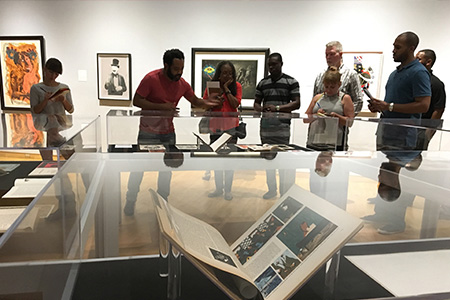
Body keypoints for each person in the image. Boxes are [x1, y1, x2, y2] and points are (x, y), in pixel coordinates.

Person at [124, 48, 220, 216]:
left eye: (182, 69)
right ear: (166, 65)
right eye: (176, 69)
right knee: (138, 168)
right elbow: (137, 100)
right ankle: (130, 200)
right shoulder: (150, 79)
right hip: (147, 132)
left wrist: (207, 102)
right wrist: (162, 107)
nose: (179, 72)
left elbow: (195, 100)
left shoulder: (181, 83)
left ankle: (163, 204)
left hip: (168, 132)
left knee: (166, 170)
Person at [364, 31, 431, 234]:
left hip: (403, 136)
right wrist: (381, 107)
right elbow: (392, 104)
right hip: (387, 131)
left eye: (398, 47)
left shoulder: (418, 72)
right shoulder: (396, 73)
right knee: (384, 173)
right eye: (393, 46)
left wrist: (389, 106)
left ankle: (396, 222)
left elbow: (423, 105)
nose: (394, 50)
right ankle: (382, 212)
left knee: (395, 176)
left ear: (411, 48)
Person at [254, 53, 300, 199]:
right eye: (269, 65)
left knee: (283, 160)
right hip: (266, 127)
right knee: (268, 159)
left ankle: (284, 192)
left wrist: (277, 108)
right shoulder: (262, 83)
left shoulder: (291, 81)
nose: (271, 67)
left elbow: (297, 103)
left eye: (274, 64)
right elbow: (256, 103)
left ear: (281, 63)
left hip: (282, 127)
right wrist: (263, 109)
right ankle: (272, 189)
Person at [204, 61, 242, 201]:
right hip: (215, 128)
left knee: (229, 160)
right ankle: (219, 188)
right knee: (217, 161)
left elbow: (235, 104)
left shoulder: (236, 86)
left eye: (229, 73)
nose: (227, 75)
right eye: (224, 72)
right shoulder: (211, 87)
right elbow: (205, 104)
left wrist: (226, 88)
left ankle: (228, 190)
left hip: (231, 128)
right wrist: (213, 101)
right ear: (218, 73)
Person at [305, 67, 355, 151]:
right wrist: (316, 115)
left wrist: (337, 117)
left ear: (339, 84)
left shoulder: (345, 98)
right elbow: (305, 119)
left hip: (335, 142)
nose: (328, 90)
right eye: (326, 86)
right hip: (315, 141)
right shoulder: (317, 97)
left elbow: (350, 122)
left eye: (332, 87)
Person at [313, 41, 363, 114]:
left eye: (332, 54)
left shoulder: (351, 75)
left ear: (340, 54)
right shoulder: (320, 75)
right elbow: (314, 99)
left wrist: (346, 117)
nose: (328, 57)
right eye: (326, 54)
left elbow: (358, 101)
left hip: (338, 121)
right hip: (319, 121)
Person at [415, 49, 446, 150]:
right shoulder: (412, 79)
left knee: (413, 161)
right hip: (405, 129)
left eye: (418, 59)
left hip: (421, 130)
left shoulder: (436, 84)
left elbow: (439, 109)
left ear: (428, 62)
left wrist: (427, 134)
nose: (414, 61)